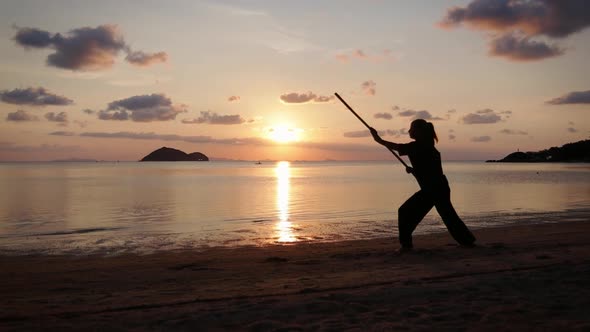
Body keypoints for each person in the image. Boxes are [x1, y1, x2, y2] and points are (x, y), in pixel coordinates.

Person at [369, 119, 476, 251]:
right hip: (438, 187)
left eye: (411, 128)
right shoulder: (426, 146)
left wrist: (378, 139)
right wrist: (414, 171)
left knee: (405, 211)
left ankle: (406, 245)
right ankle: (467, 241)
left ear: (418, 132)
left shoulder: (417, 146)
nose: (409, 131)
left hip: (433, 189)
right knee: (448, 215)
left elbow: (396, 147)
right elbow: (428, 170)